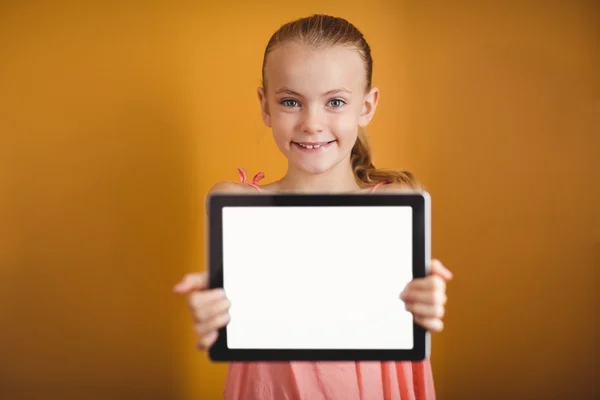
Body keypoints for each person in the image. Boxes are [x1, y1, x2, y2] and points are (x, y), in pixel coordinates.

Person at [173, 14, 454, 400]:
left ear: (367, 106)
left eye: (335, 102)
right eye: (291, 102)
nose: (312, 123)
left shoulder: (394, 204)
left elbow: (404, 317)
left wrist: (425, 299)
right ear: (265, 106)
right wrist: (214, 306)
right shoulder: (238, 206)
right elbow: (235, 309)